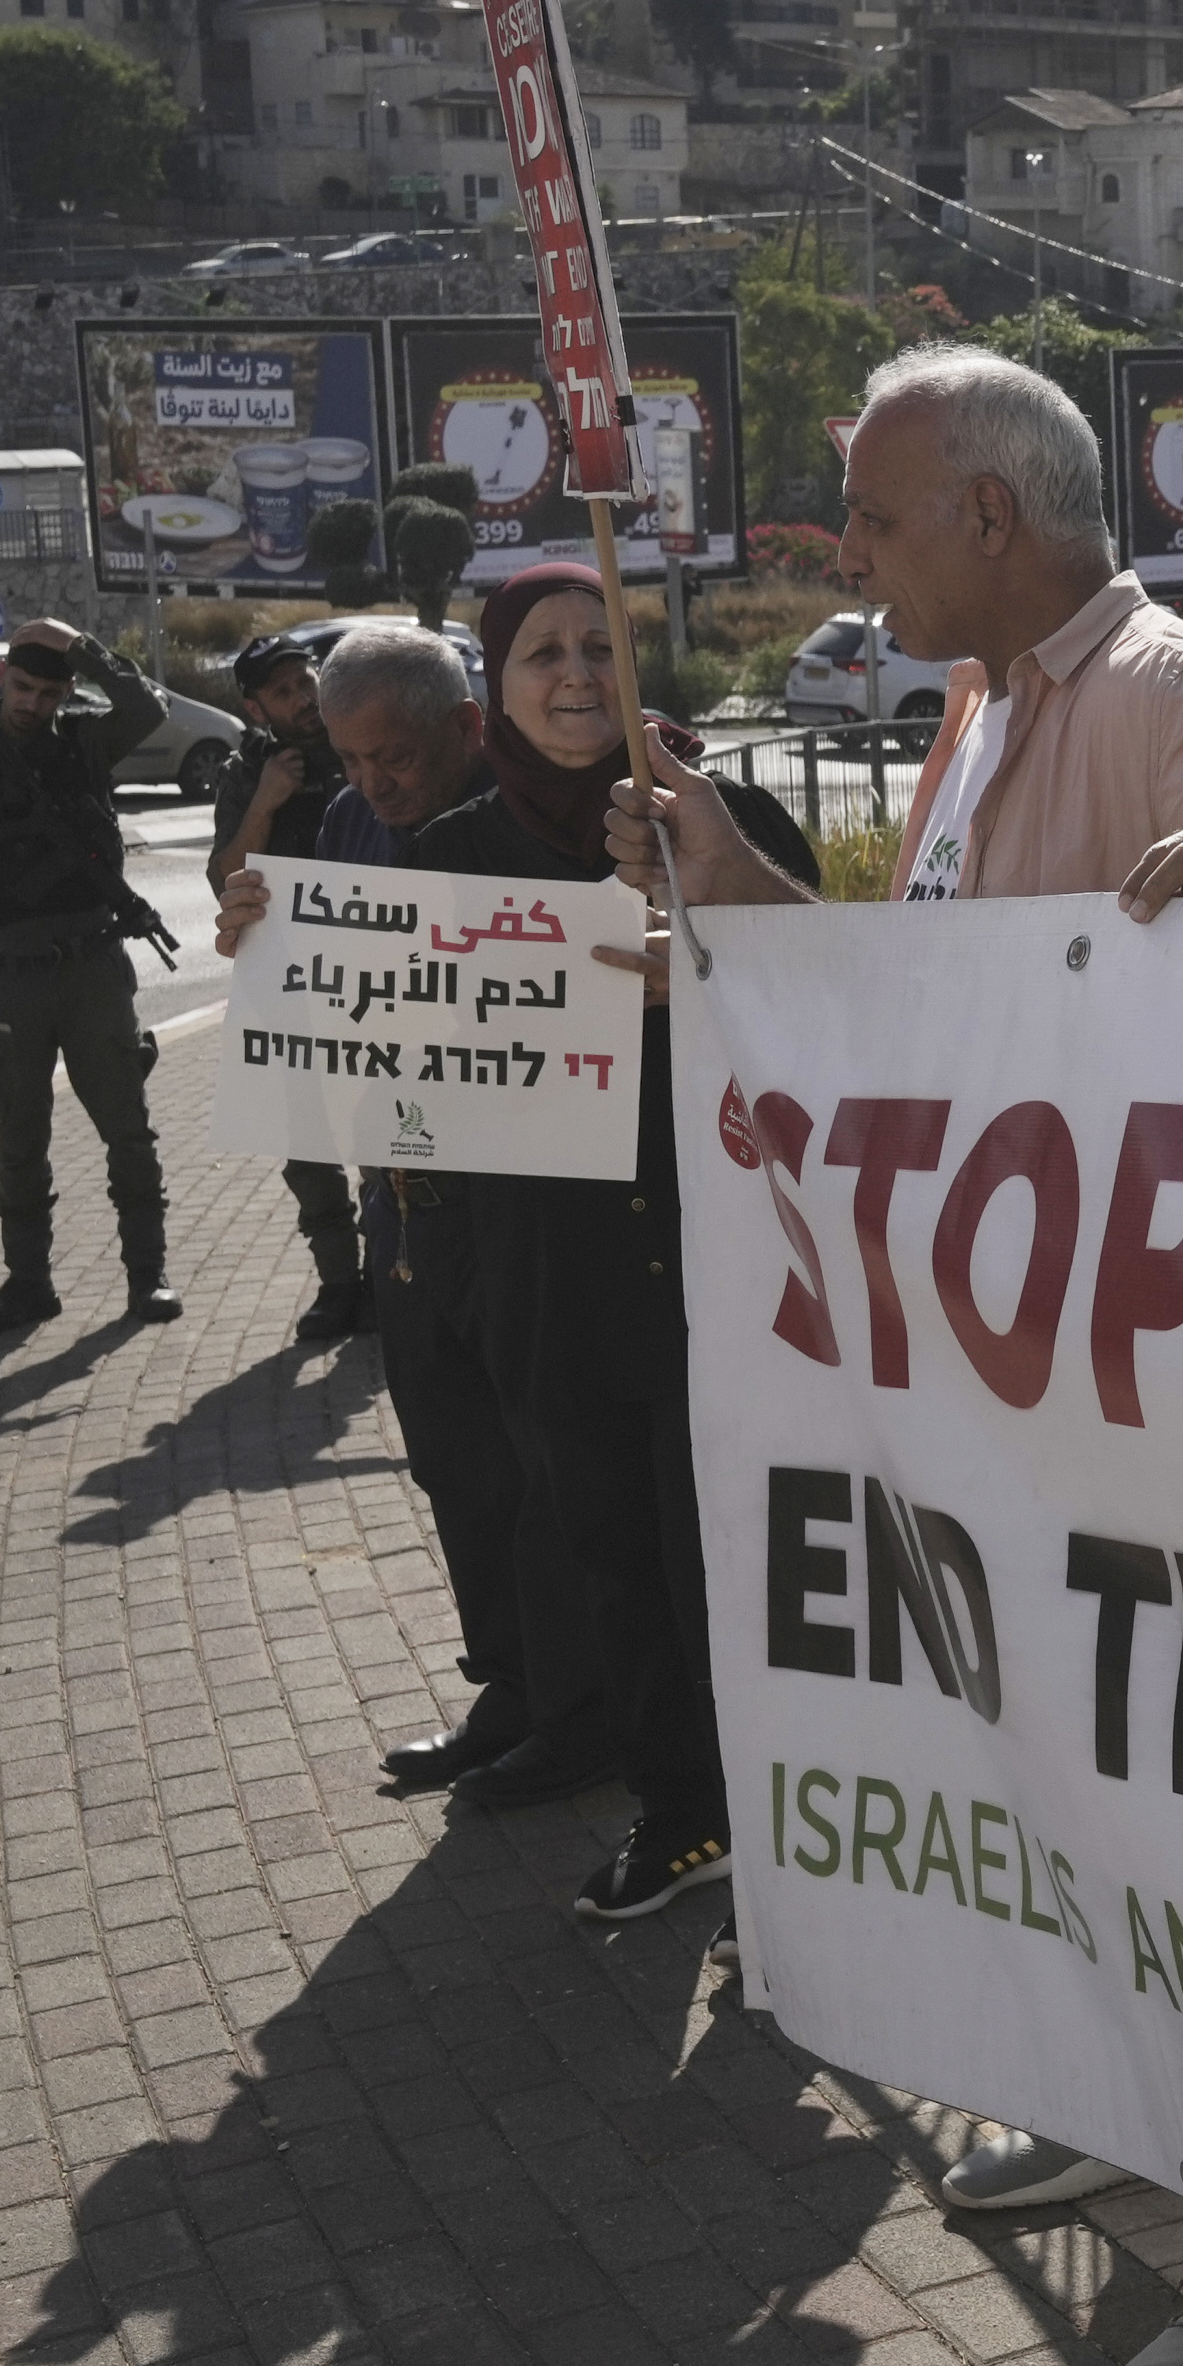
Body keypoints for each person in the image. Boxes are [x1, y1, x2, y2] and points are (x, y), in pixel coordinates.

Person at [611, 348, 1183, 2366]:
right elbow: (922, 997)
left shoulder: (1151, 684)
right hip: (1026, 1384)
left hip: (1160, 1390)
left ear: (988, 517)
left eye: (869, 516)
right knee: (1079, 1773)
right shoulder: (973, 706)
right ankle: (1138, 2111)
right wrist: (729, 886)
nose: (842, 551)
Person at [401, 560, 819, 1922]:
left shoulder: (724, 821)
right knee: (620, 1564)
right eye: (542, 654)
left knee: (747, 1560)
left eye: (602, 646)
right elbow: (402, 1071)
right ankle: (685, 1819)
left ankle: (807, 1821)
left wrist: (697, 958)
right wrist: (271, 944)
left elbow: (837, 1007)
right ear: (494, 687)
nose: (578, 674)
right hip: (557, 1280)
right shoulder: (454, 861)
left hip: (729, 1263)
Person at [213, 625, 537, 1780]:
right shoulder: (353, 826)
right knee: (450, 1450)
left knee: (544, 1452)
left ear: (463, 730)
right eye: (350, 760)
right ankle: (508, 1685)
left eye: (392, 756)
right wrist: (259, 945)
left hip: (530, 1204)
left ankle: (586, 1702)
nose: (372, 783)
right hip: (403, 1190)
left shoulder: (525, 821)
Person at [0, 614, 183, 1337]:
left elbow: (148, 708)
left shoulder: (84, 741)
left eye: (49, 694)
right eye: (23, 688)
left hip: (92, 966)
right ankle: (29, 1285)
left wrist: (81, 645)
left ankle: (148, 1278)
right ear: (2, 679)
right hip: (11, 976)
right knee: (19, 1137)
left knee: (127, 1127)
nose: (33, 705)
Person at [208, 632, 371, 1346]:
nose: (303, 700)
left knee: (389, 1131)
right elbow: (225, 877)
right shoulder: (248, 774)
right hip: (291, 983)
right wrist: (268, 802)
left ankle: (394, 1278)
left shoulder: (360, 743)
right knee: (307, 1144)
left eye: (305, 682)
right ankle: (339, 1283)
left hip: (375, 980)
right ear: (255, 707)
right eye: (283, 692)